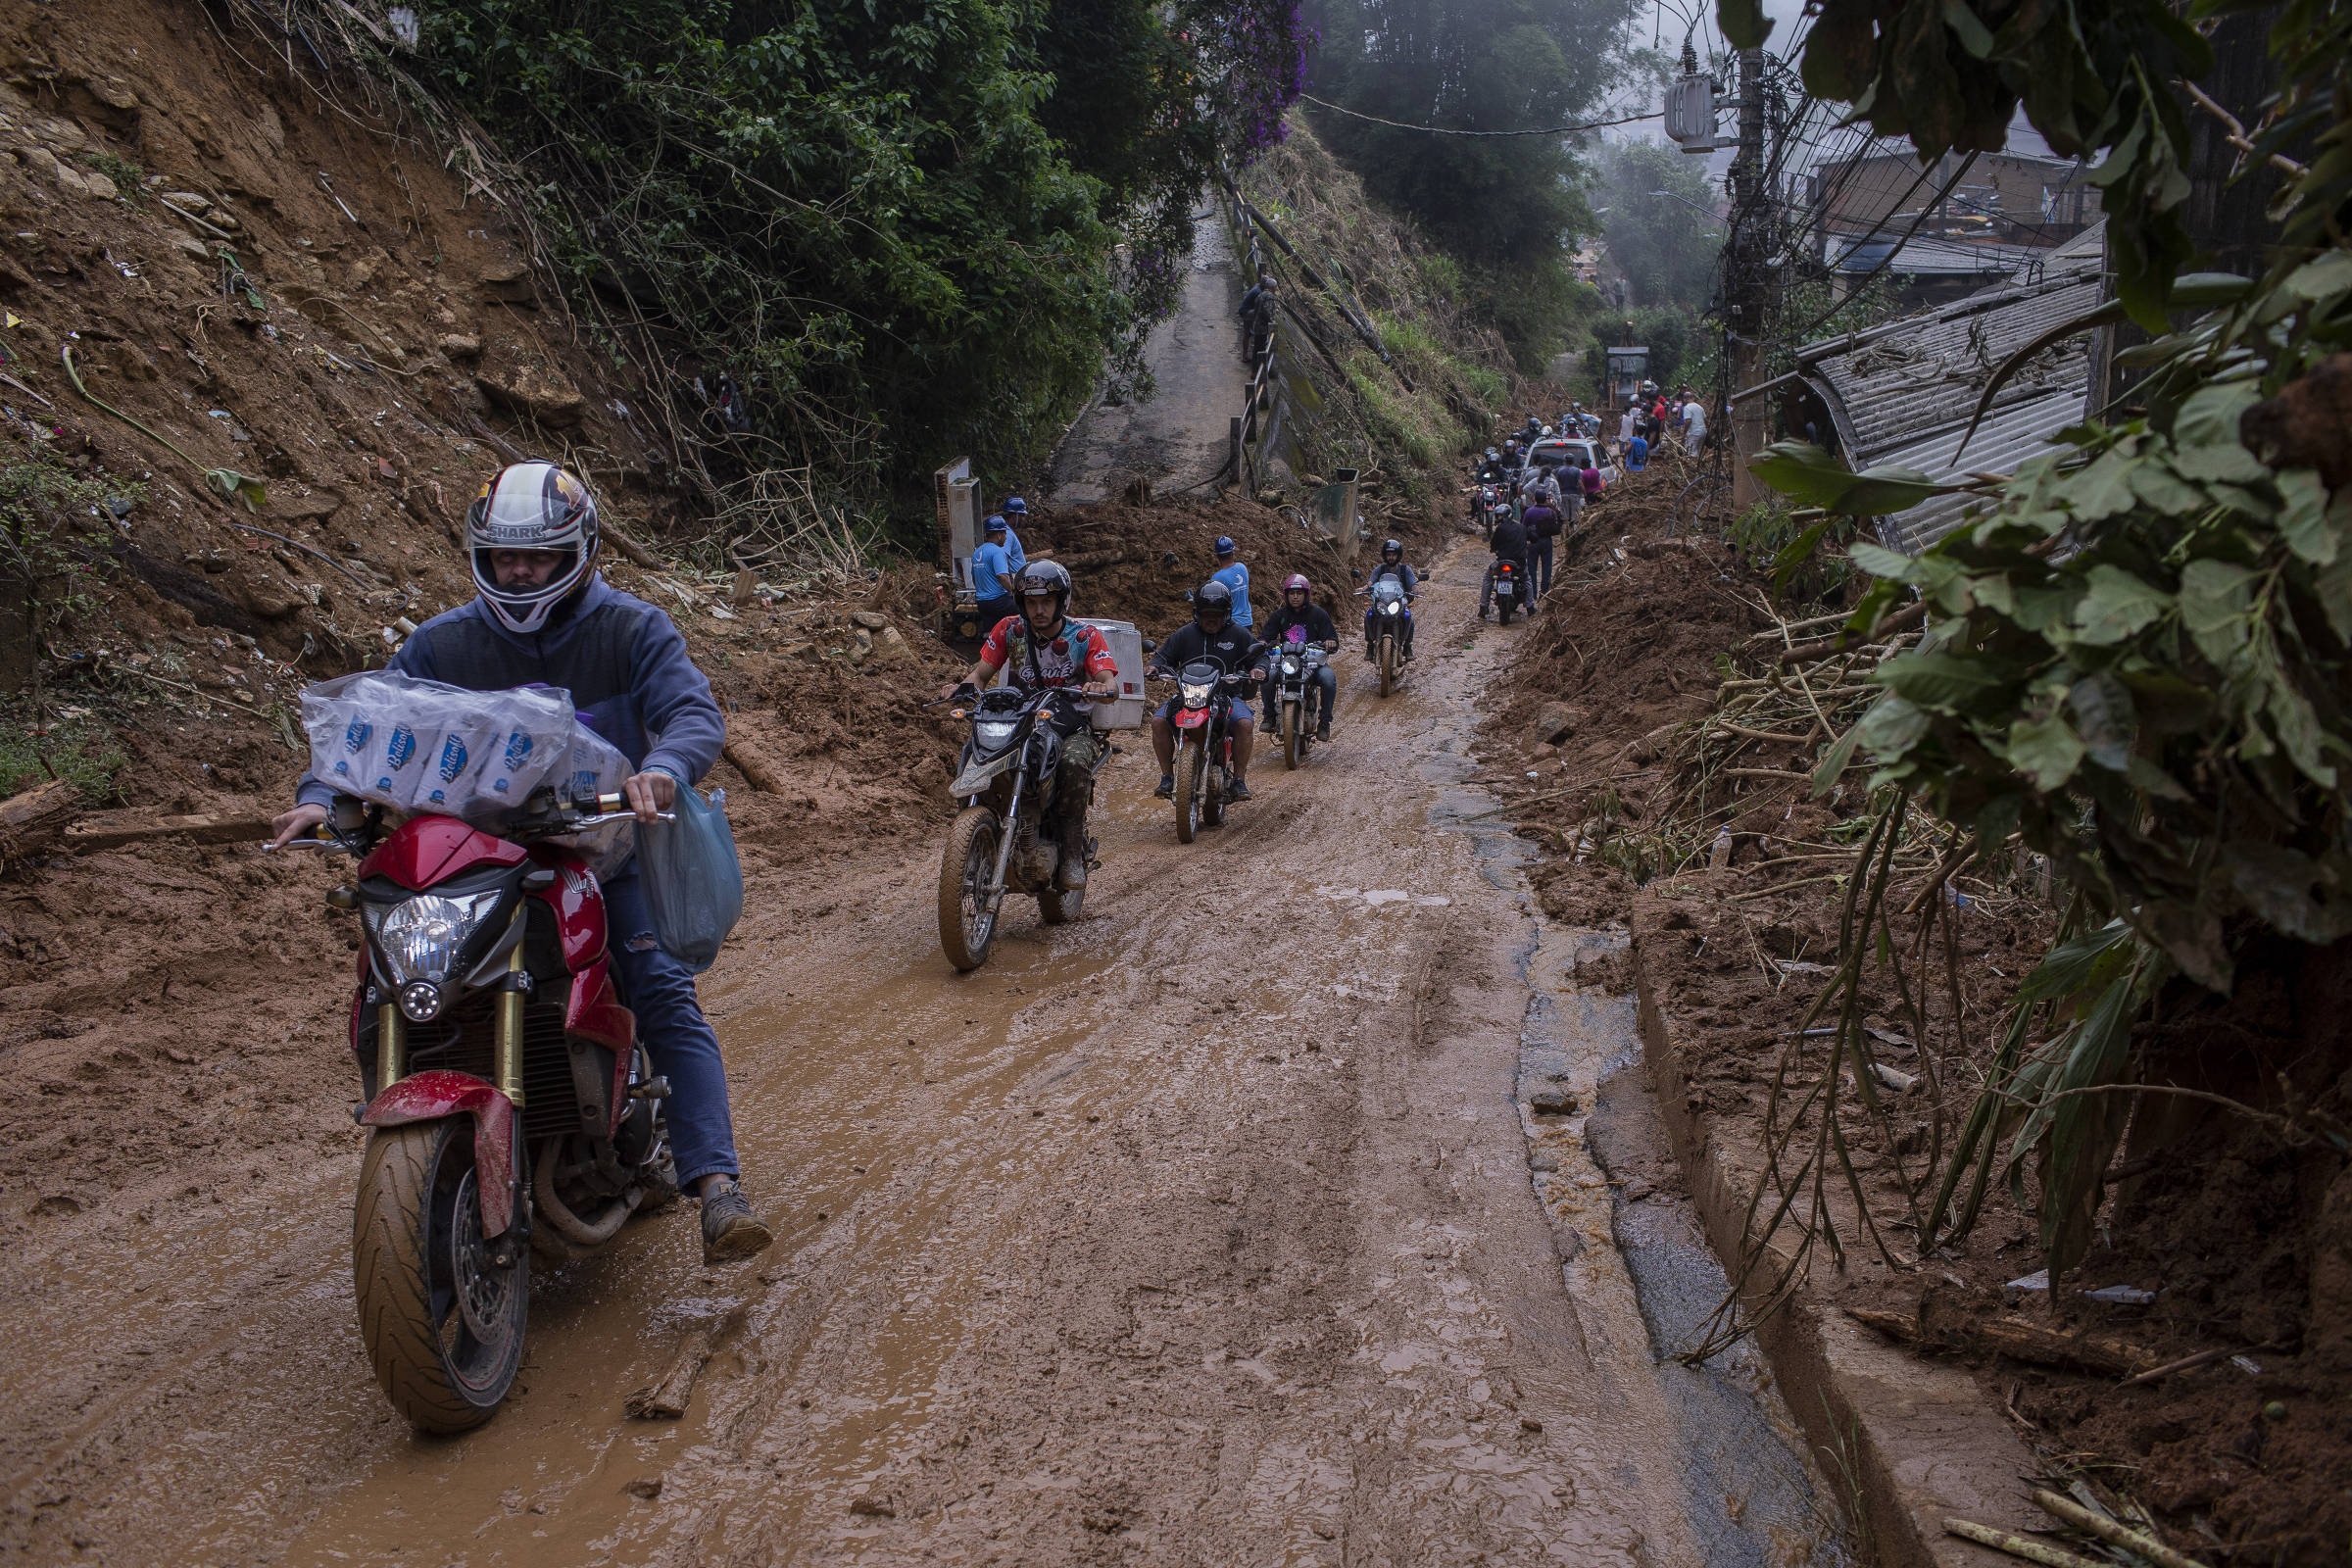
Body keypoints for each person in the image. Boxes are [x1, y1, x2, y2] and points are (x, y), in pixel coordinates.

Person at [269, 461, 773, 1266]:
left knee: (662, 993)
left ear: (581, 549)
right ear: (482, 555)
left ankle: (718, 1185)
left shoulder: (633, 629)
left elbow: (689, 712)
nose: (521, 571)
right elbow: (368, 733)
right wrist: (320, 798)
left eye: (538, 556)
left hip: (606, 856)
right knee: (389, 989)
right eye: (506, 558)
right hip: (475, 867)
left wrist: (664, 768)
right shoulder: (441, 644)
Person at [943, 562, 1117, 890]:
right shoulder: (1010, 630)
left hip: (1068, 724)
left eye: (1046, 602)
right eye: (1031, 602)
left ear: (1060, 602)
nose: (1038, 610)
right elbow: (980, 674)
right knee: (973, 751)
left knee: (1073, 764)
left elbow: (1108, 679)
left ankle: (1068, 853)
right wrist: (961, 688)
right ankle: (972, 840)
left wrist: (1100, 686)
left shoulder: (1084, 637)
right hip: (1019, 720)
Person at [1148, 580, 1259, 802]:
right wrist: (1154, 666)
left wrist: (1258, 668)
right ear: (1196, 613)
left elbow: (1259, 656)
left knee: (1245, 723)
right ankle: (1167, 777)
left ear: (1226, 613)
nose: (1211, 618)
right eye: (1205, 613)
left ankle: (1238, 781)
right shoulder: (1184, 634)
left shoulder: (1238, 634)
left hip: (1227, 696)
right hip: (1188, 695)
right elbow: (1162, 656)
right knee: (1158, 721)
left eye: (1216, 614)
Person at [1257, 573, 1340, 742]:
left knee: (1328, 678)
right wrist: (1263, 642)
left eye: (1299, 593)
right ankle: (1269, 715)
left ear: (1306, 595)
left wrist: (1330, 642)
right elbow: (1266, 636)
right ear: (1286, 595)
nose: (1295, 597)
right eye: (1291, 593)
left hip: (1312, 663)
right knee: (1268, 676)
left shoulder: (1319, 614)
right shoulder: (1279, 615)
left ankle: (1325, 721)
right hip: (1287, 663)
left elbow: (1332, 638)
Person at [1361, 539, 1420, 661]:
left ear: (1398, 556)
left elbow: (1413, 583)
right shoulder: (1380, 569)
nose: (1391, 558)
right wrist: (1365, 588)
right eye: (1388, 555)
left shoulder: (1405, 570)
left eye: (1393, 555)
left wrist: (1416, 590)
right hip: (1382, 601)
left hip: (1399, 601)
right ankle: (1370, 646)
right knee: (1369, 615)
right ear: (1385, 556)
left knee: (1409, 618)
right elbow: (1371, 581)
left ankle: (1408, 646)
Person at [1480, 506, 1531, 619]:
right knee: (1526, 579)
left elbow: (1493, 545)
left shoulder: (1500, 529)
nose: (1499, 518)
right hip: (1518, 564)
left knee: (1488, 578)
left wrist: (1494, 549)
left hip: (1502, 562)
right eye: (1498, 516)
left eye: (1500, 516)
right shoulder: (1522, 528)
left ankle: (1483, 607)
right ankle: (1530, 606)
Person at [970, 515, 1016, 627]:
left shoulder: (977, 552)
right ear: (999, 535)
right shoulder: (997, 551)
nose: (1006, 538)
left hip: (982, 603)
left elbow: (974, 578)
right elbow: (1001, 576)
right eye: (1005, 534)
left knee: (992, 632)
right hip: (998, 601)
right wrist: (1013, 592)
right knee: (1024, 611)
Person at [1210, 535, 1252, 631]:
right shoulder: (1242, 567)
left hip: (1232, 624)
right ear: (1232, 553)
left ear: (1217, 556)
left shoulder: (1217, 577)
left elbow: (1214, 603)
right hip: (1248, 621)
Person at [1524, 494, 1561, 597]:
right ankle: (1544, 592)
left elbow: (1524, 526)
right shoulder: (1551, 512)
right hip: (1547, 541)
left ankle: (1532, 593)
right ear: (1545, 500)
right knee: (1547, 567)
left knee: (1531, 568)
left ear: (1535, 499)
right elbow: (1556, 526)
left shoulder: (1529, 511)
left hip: (1532, 542)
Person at [1240, 272, 1278, 363]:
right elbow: (1263, 309)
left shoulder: (1258, 287)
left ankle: (1246, 355)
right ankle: (1245, 356)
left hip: (1249, 311)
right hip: (1247, 312)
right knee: (1248, 334)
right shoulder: (1259, 292)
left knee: (1249, 334)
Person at [1000, 496, 1030, 573]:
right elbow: (1002, 558)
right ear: (1014, 516)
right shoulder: (1007, 534)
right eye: (1022, 516)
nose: (1023, 519)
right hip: (1014, 578)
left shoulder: (1007, 531)